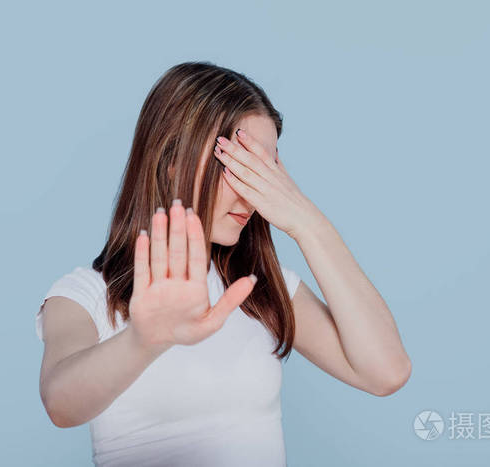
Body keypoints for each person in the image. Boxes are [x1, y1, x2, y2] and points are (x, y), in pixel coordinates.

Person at [35, 61, 412, 467]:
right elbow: (61, 404)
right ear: (171, 161)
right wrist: (144, 341)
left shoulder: (261, 288)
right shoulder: (85, 294)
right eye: (238, 165)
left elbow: (386, 372)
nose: (254, 194)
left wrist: (306, 223)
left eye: (265, 172)